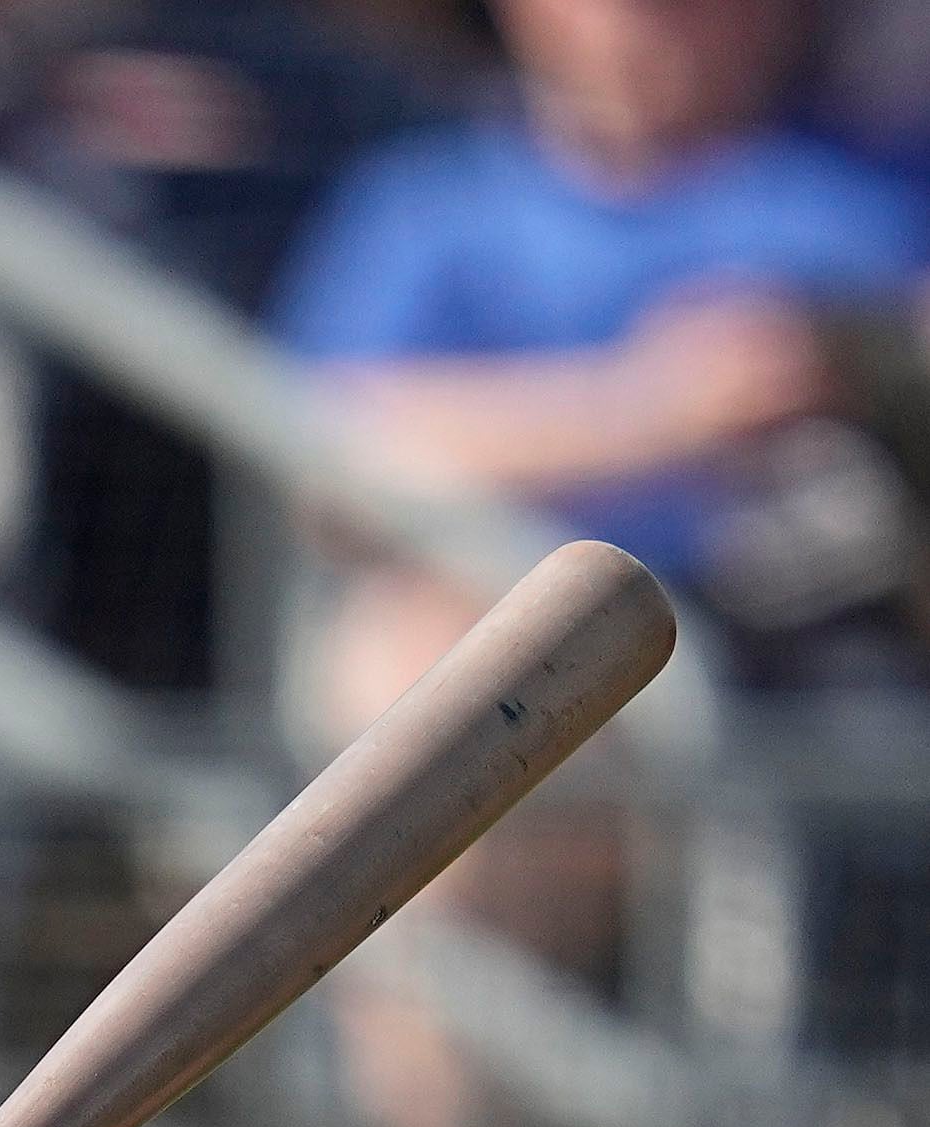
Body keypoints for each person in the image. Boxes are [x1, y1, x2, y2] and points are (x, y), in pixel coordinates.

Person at [274, 0, 930, 676]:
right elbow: (325, 462)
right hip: (560, 641)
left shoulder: (885, 190)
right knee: (413, 645)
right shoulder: (431, 206)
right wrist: (653, 407)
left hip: (849, 623)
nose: (669, 26)